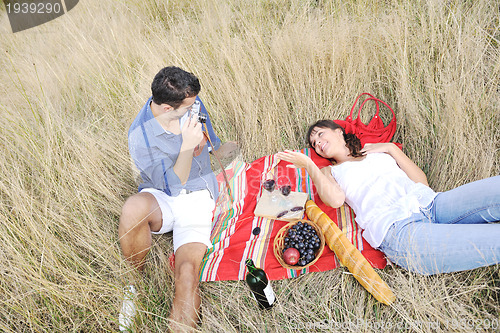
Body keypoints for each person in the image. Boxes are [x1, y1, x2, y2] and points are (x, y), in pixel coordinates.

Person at [276, 119, 500, 275]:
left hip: (431, 204)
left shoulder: (375, 150)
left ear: (338, 131)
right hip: (400, 231)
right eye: (314, 144)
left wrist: (392, 149)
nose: (317, 142)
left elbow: (421, 182)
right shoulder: (329, 172)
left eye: (320, 134)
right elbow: (335, 200)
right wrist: (309, 165)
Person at [118, 66, 237, 331]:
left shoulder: (190, 100)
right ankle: (133, 284)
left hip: (198, 196)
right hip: (164, 193)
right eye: (187, 107)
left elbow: (209, 139)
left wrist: (210, 147)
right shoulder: (140, 137)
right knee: (132, 207)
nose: (194, 108)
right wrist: (185, 146)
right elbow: (172, 185)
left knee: (186, 274)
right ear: (166, 108)